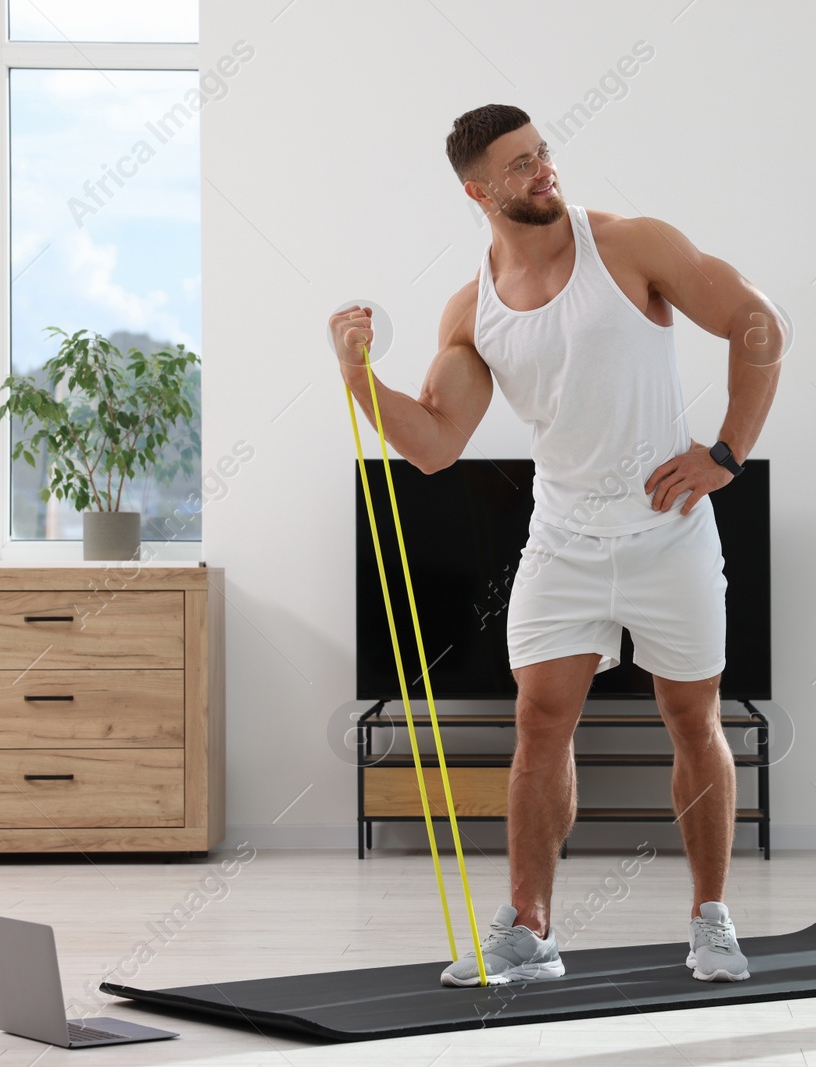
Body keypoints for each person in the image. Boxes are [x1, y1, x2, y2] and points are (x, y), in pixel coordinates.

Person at [328, 103, 785, 986]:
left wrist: (726, 453)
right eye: (518, 164)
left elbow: (759, 323)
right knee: (539, 726)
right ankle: (529, 932)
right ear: (478, 190)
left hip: (670, 534)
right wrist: (359, 378)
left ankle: (712, 922)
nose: (542, 171)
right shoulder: (473, 312)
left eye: (542, 154)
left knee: (693, 719)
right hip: (563, 543)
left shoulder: (631, 246)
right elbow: (431, 443)